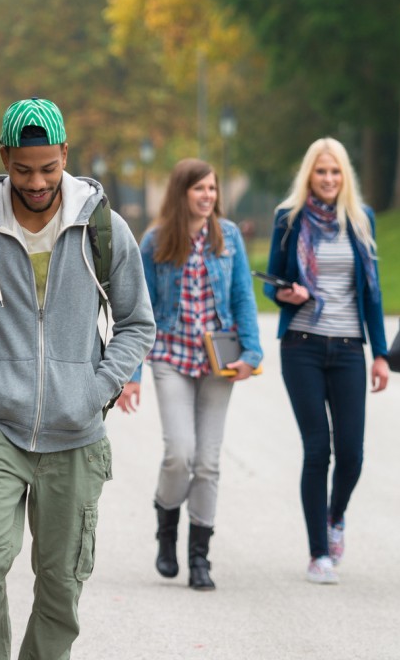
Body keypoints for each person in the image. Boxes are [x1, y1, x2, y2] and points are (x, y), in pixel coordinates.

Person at [0, 97, 154, 659]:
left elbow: (137, 323)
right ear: (4, 157)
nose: (37, 182)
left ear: (65, 155)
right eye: (23, 169)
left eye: (48, 168)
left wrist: (95, 389)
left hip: (76, 435)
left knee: (62, 582)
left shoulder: (103, 226)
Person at [114, 158, 261, 591]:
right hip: (171, 356)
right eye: (200, 189)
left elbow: (242, 297)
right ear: (182, 193)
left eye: (212, 189)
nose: (208, 196)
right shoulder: (157, 240)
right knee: (180, 452)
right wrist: (131, 373)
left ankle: (200, 556)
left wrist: (251, 351)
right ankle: (166, 526)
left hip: (219, 361)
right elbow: (135, 311)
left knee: (208, 461)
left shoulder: (228, 237)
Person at [265, 137, 389, 585]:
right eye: (321, 172)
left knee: (352, 453)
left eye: (336, 172)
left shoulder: (359, 220)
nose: (329, 179)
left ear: (345, 176)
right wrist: (286, 292)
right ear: (309, 176)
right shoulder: (289, 218)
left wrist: (381, 356)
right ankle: (319, 552)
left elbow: (372, 294)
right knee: (318, 448)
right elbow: (271, 283)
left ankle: (336, 518)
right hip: (302, 344)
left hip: (349, 349)